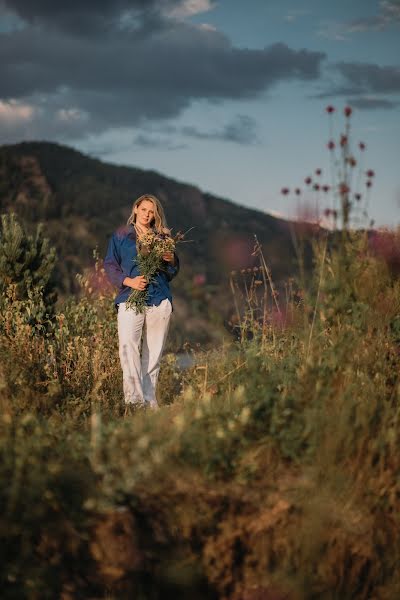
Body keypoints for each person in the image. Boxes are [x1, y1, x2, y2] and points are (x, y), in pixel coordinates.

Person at [104, 194, 179, 410]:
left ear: (156, 215)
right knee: (128, 347)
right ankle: (134, 402)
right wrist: (129, 281)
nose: (147, 214)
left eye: (151, 211)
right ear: (136, 208)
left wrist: (172, 259)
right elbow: (110, 265)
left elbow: (172, 270)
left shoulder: (163, 237)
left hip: (159, 297)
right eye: (144, 209)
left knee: (154, 352)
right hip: (129, 297)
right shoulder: (121, 236)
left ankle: (149, 400)